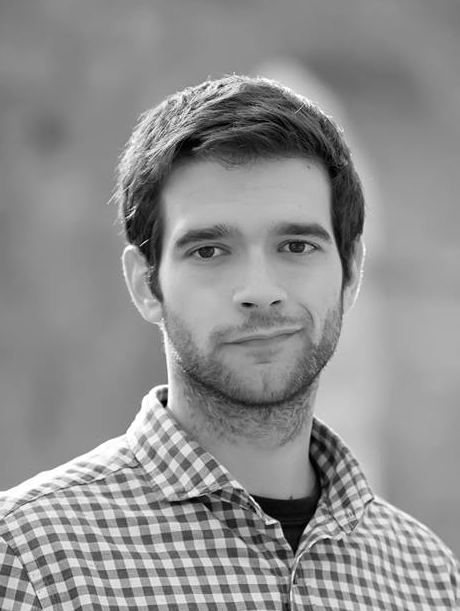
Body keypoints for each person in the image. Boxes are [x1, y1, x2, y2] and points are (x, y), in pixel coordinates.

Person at [1, 74, 458, 610]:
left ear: (351, 271)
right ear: (145, 284)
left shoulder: (428, 578)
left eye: (296, 245)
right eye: (209, 251)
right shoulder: (27, 557)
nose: (260, 292)